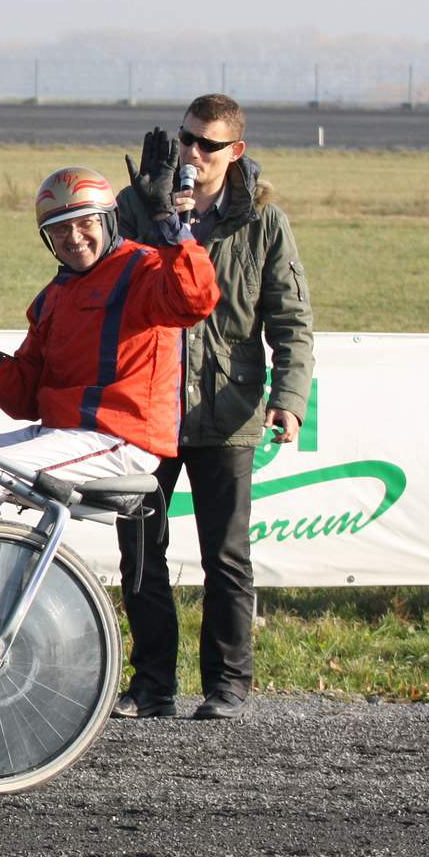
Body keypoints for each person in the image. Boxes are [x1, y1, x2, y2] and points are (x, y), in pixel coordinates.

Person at [113, 95, 314, 721]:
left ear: (236, 152)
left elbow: (291, 319)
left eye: (208, 144)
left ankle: (227, 686)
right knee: (141, 551)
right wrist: (149, 211)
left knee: (225, 557)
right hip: (148, 407)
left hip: (228, 411)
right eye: (186, 139)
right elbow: (102, 283)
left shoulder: (262, 221)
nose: (193, 154)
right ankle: (152, 686)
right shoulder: (137, 205)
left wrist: (289, 399)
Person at [0, 166, 218, 549]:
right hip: (61, 434)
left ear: (108, 221)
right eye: (60, 229)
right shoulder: (53, 297)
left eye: (85, 223)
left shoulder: (146, 269)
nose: (74, 238)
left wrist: (167, 221)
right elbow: (27, 398)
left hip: (121, 438)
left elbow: (195, 301)